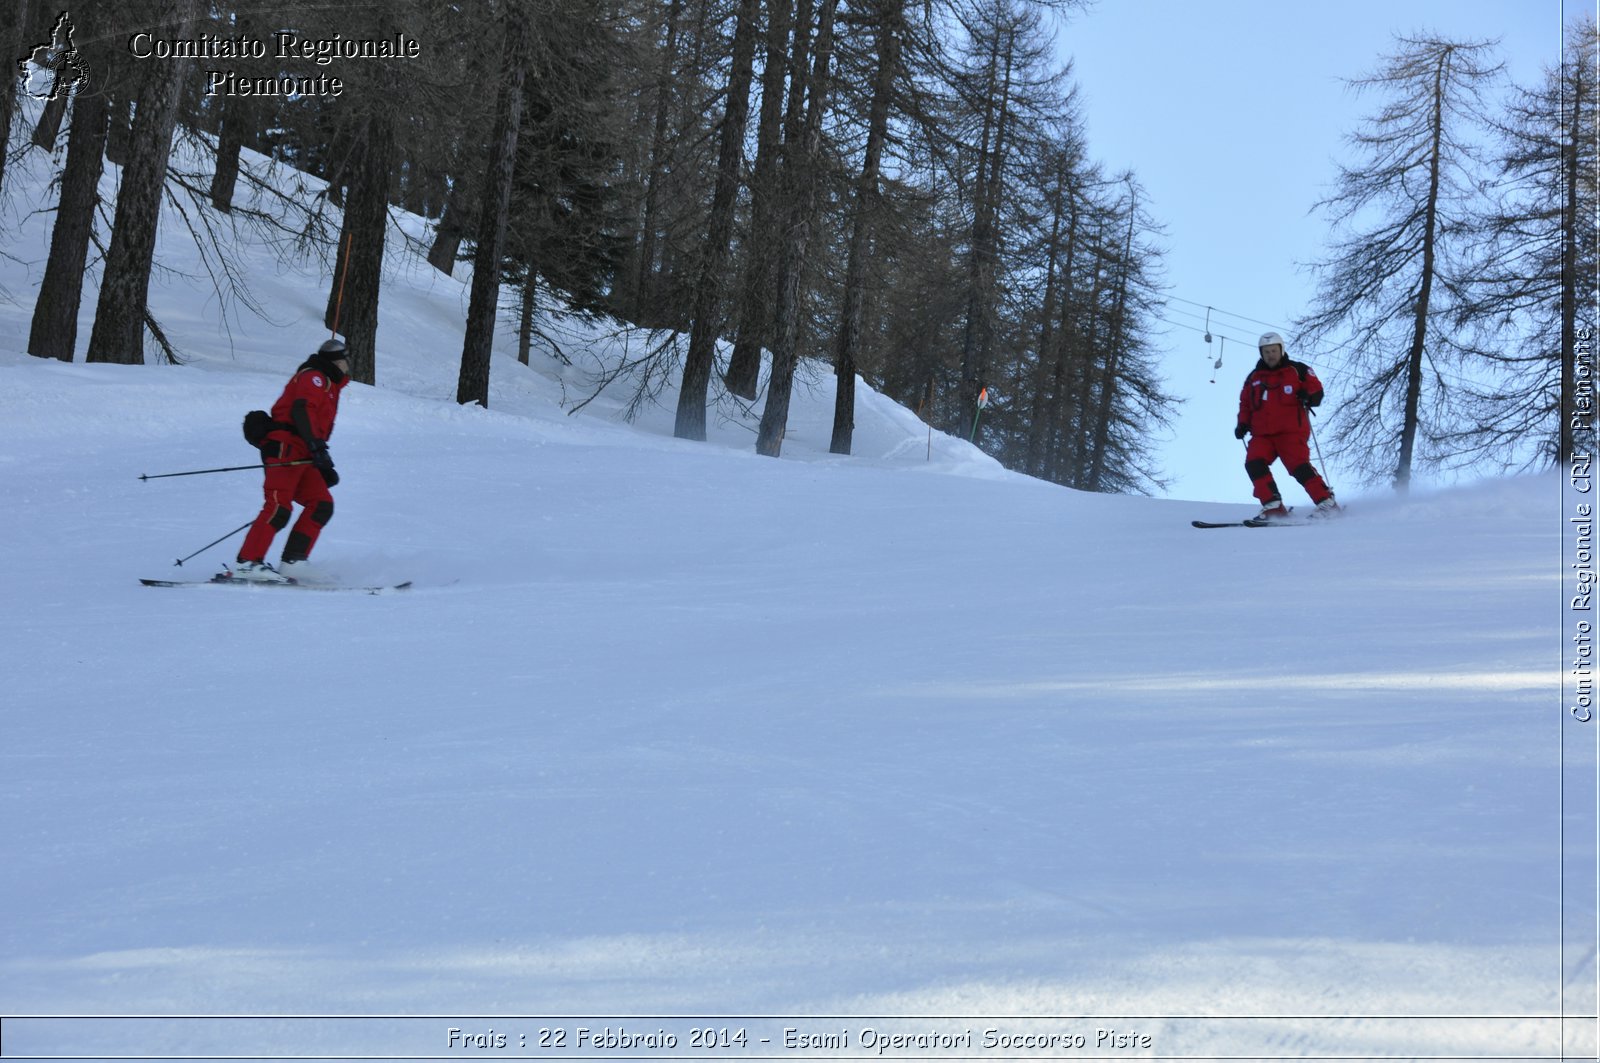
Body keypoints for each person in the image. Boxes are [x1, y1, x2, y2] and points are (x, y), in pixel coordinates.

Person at [232, 338, 349, 582]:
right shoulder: (315, 376)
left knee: (321, 503)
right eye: (347, 359)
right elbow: (301, 409)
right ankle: (247, 564)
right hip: (286, 448)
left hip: (303, 452)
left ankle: (293, 562)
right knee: (279, 506)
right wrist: (317, 448)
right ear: (338, 361)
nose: (349, 364)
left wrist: (319, 458)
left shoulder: (328, 384)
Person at [1234, 332, 1339, 521]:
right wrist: (1242, 423)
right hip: (1262, 434)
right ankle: (1273, 506)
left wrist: (1309, 395)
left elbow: (1316, 388)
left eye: (1274, 350)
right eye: (1266, 352)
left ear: (1281, 350)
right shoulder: (1254, 378)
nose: (1270, 355)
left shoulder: (1297, 370)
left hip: (1290, 431)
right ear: (1261, 353)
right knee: (1254, 463)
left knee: (1298, 466)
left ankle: (1327, 503)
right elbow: (1245, 403)